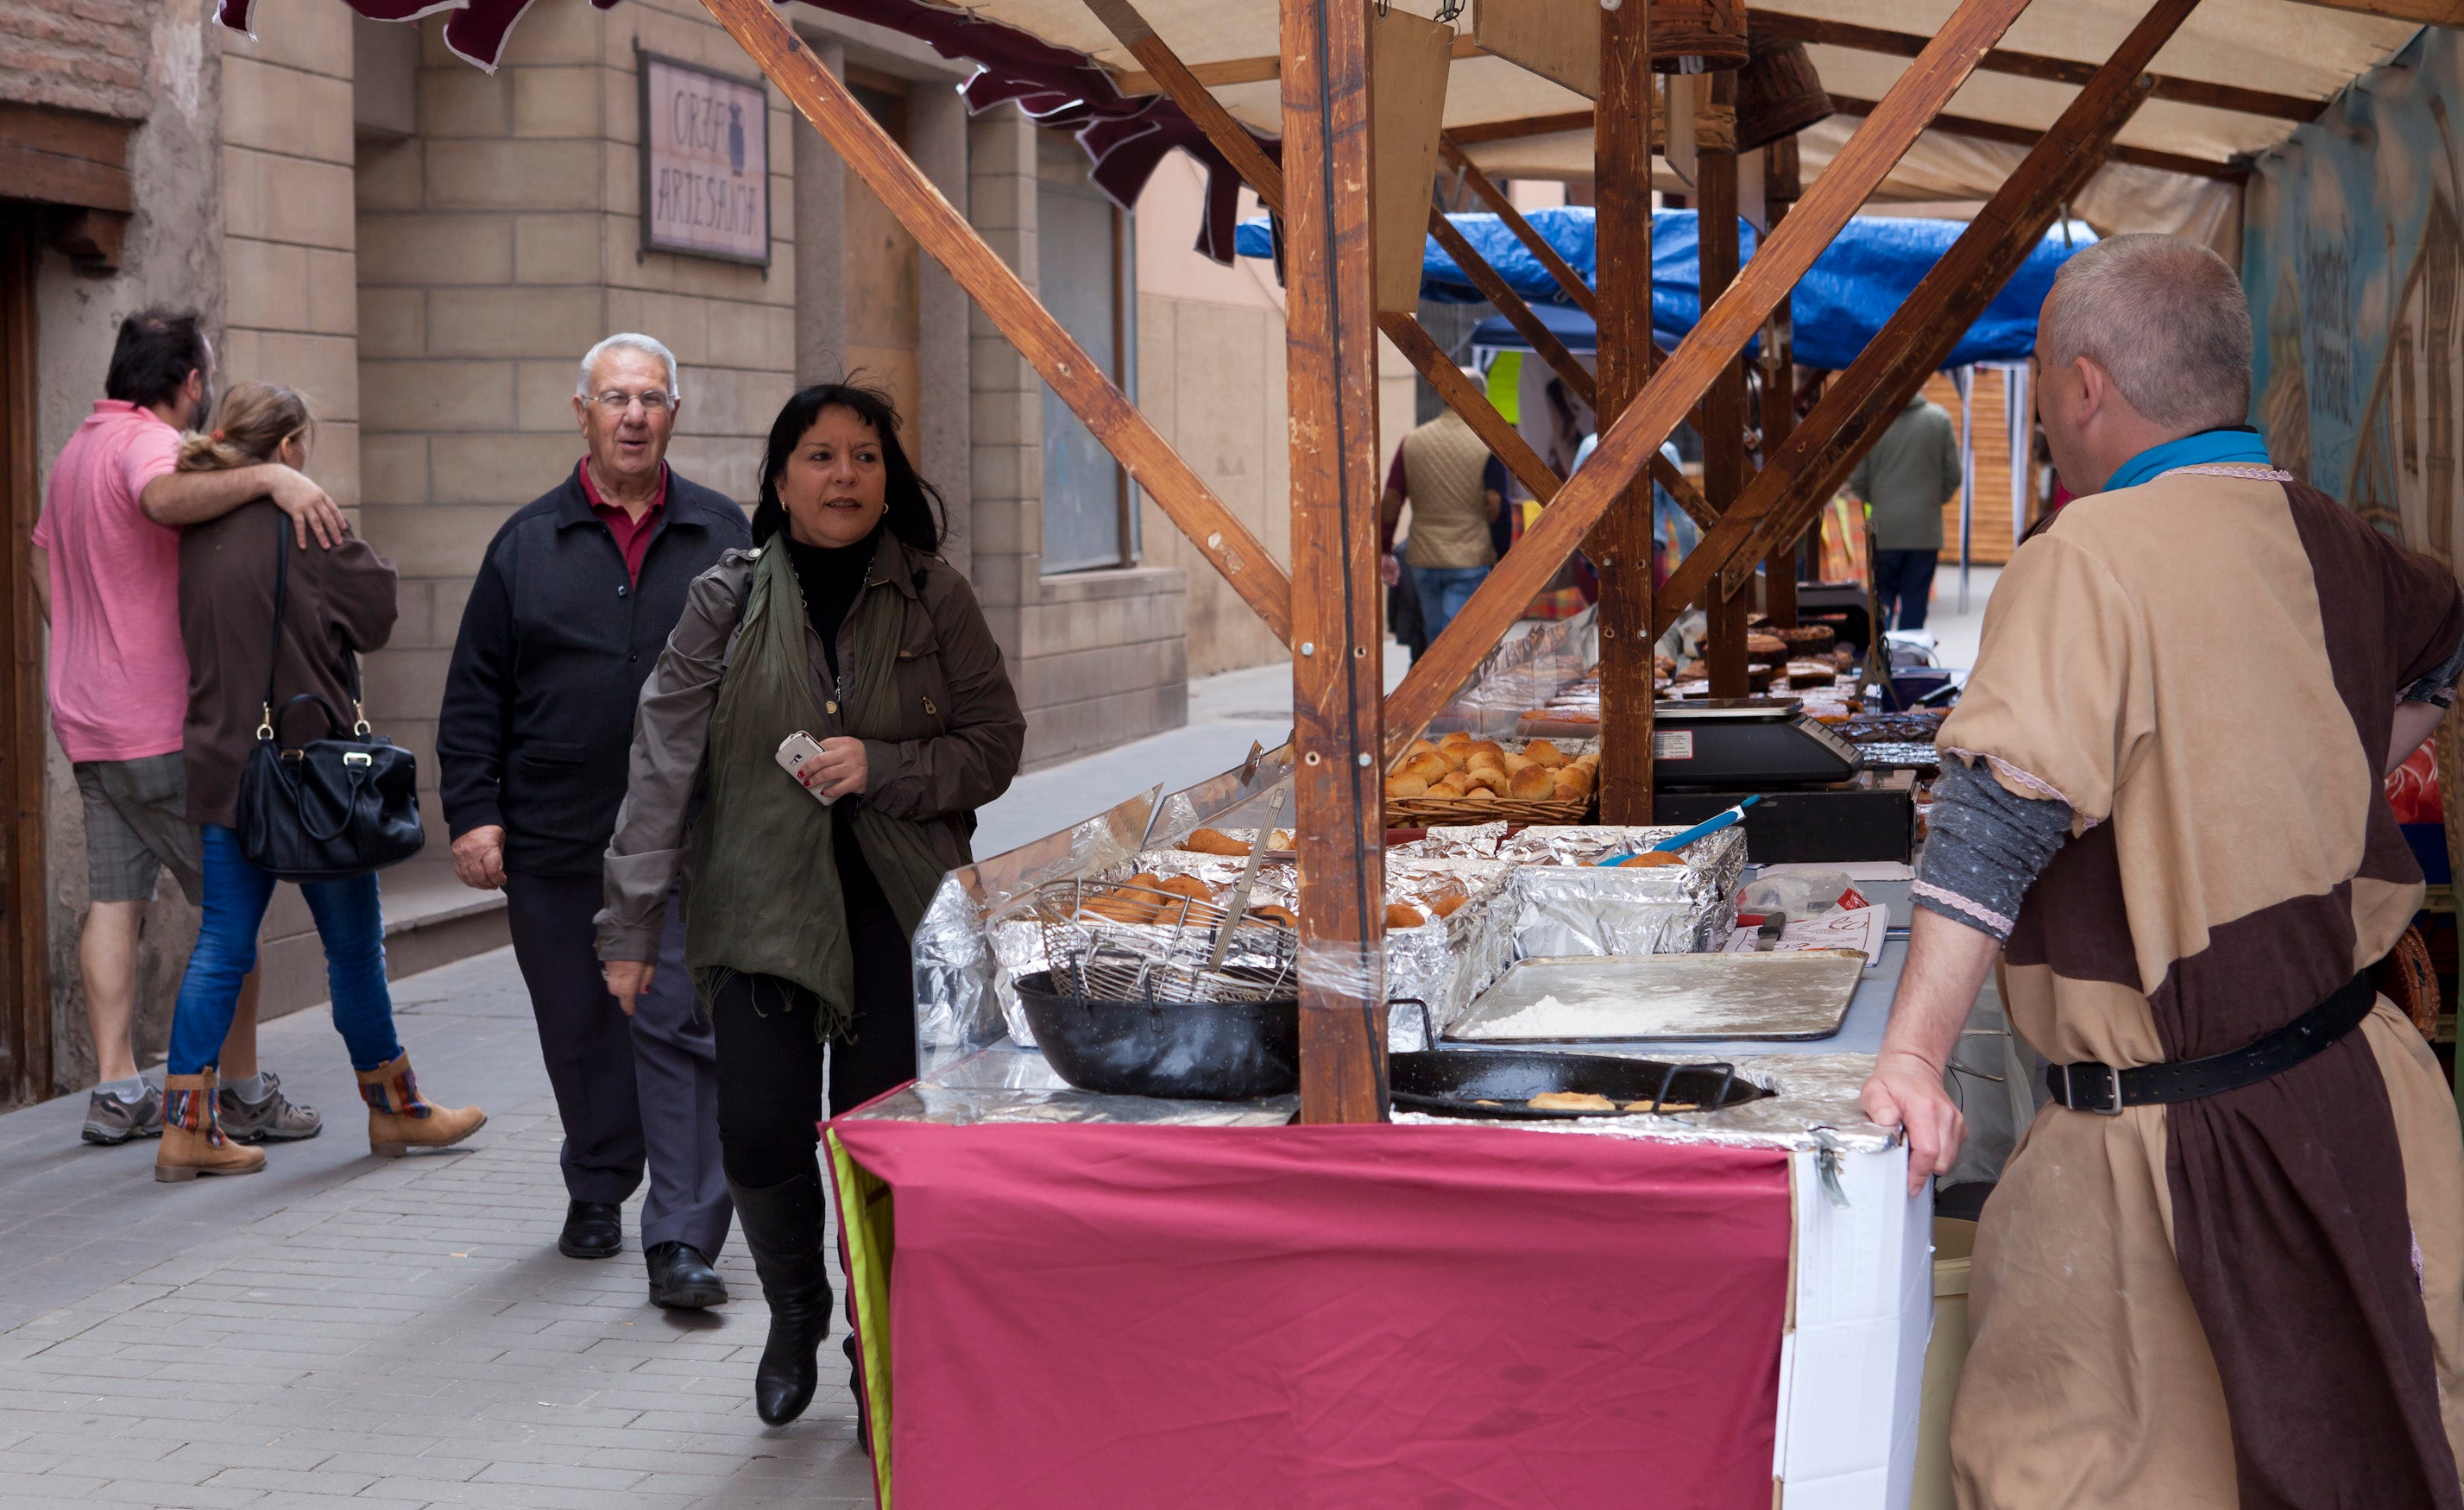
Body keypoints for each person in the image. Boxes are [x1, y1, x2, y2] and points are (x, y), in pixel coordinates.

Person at [1861, 235, 2464, 1503]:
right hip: (2359, 1096)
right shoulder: (2321, 532)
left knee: (2089, 1468)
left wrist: (1911, 1055)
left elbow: (1992, 820)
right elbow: (2442, 639)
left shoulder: (2085, 553)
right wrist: (2345, 754)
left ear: (2084, 387)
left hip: (2158, 1154)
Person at [598, 381, 1024, 1428]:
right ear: (780, 479)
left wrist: (882, 765)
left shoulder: (934, 595)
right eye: (822, 457)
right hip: (758, 908)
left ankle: (875, 1342)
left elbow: (993, 746)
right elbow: (662, 765)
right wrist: (629, 925)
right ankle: (795, 1311)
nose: (845, 476)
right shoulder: (726, 598)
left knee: (880, 1144)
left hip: (897, 911)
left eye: (866, 456)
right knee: (755, 1134)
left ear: (890, 478)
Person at [438, 333, 749, 1309]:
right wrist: (474, 812)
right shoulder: (528, 542)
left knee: (678, 1023)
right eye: (614, 397)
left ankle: (686, 1224)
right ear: (582, 411)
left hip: (687, 839)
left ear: (673, 415)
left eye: (650, 398)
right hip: (554, 831)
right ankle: (599, 1178)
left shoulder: (720, 531)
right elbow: (475, 690)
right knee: (578, 1023)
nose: (631, 415)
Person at [154, 384, 487, 1180]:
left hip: (224, 768)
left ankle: (184, 1128)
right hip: (314, 780)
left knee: (222, 944)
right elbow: (375, 617)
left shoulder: (195, 527)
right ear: (292, 445)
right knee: (352, 949)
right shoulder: (309, 521)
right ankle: (397, 1111)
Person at [32, 309, 343, 1148]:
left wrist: (85, 646)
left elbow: (38, 556)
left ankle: (115, 1087)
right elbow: (164, 498)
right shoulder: (146, 447)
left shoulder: (75, 450)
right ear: (192, 381)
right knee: (229, 907)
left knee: (113, 899)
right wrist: (270, 480)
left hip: (89, 718)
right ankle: (237, 1089)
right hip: (161, 722)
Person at [1378, 383, 1503, 643]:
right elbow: (1495, 504)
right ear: (1482, 399)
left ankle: (1438, 681)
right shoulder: (1488, 444)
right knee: (1458, 639)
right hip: (1470, 556)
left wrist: (1385, 547)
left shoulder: (1412, 442)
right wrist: (1501, 554)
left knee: (1435, 634)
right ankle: (1455, 683)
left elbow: (1391, 500)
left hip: (1424, 556)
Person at [1845, 390, 1962, 631]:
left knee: (1882, 602)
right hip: (1924, 530)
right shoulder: (1939, 419)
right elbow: (1954, 474)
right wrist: (1934, 500)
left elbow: (1857, 478)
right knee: (1915, 603)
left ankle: (1883, 663)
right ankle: (1910, 660)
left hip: (1884, 528)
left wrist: (1878, 500)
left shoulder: (1875, 422)